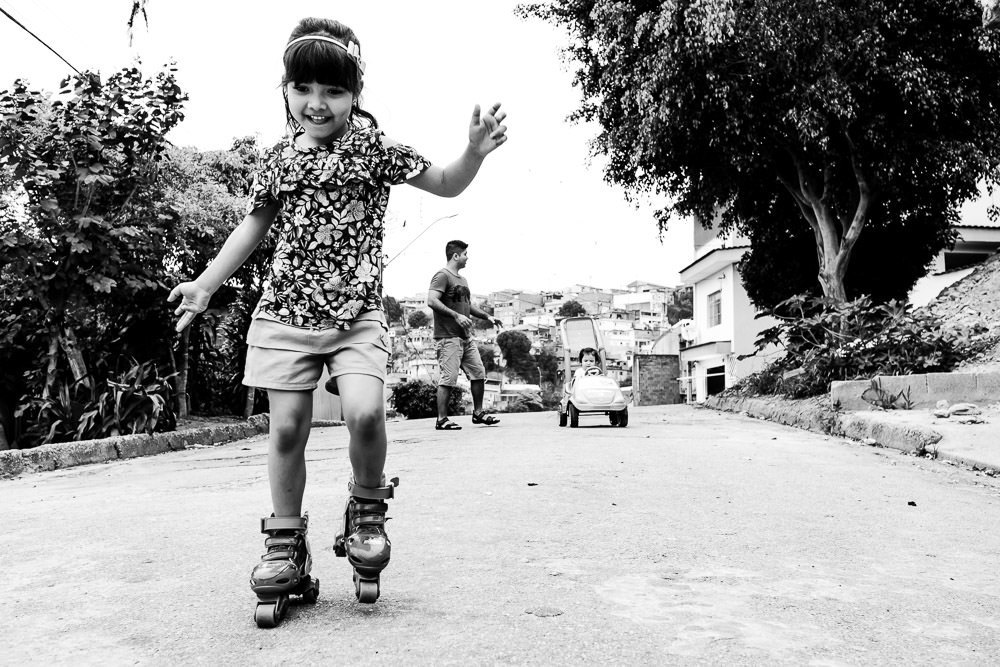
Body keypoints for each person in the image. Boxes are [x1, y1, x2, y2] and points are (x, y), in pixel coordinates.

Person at [166, 17, 508, 624]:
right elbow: (253, 226)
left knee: (366, 412)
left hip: (356, 318)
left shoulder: (376, 151)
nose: (316, 104)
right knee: (287, 429)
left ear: (355, 95)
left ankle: (366, 509)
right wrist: (204, 284)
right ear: (287, 92)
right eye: (303, 89)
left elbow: (448, 183)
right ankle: (285, 544)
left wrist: (474, 153)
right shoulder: (275, 161)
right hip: (283, 314)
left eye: (333, 91)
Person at [427, 240, 503, 430]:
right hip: (447, 337)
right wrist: (456, 315)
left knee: (478, 372)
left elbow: (467, 306)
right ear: (456, 256)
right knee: (449, 378)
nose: (467, 258)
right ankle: (442, 420)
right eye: (465, 254)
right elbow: (432, 300)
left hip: (465, 337)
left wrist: (487, 317)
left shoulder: (463, 280)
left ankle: (478, 413)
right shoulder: (442, 276)